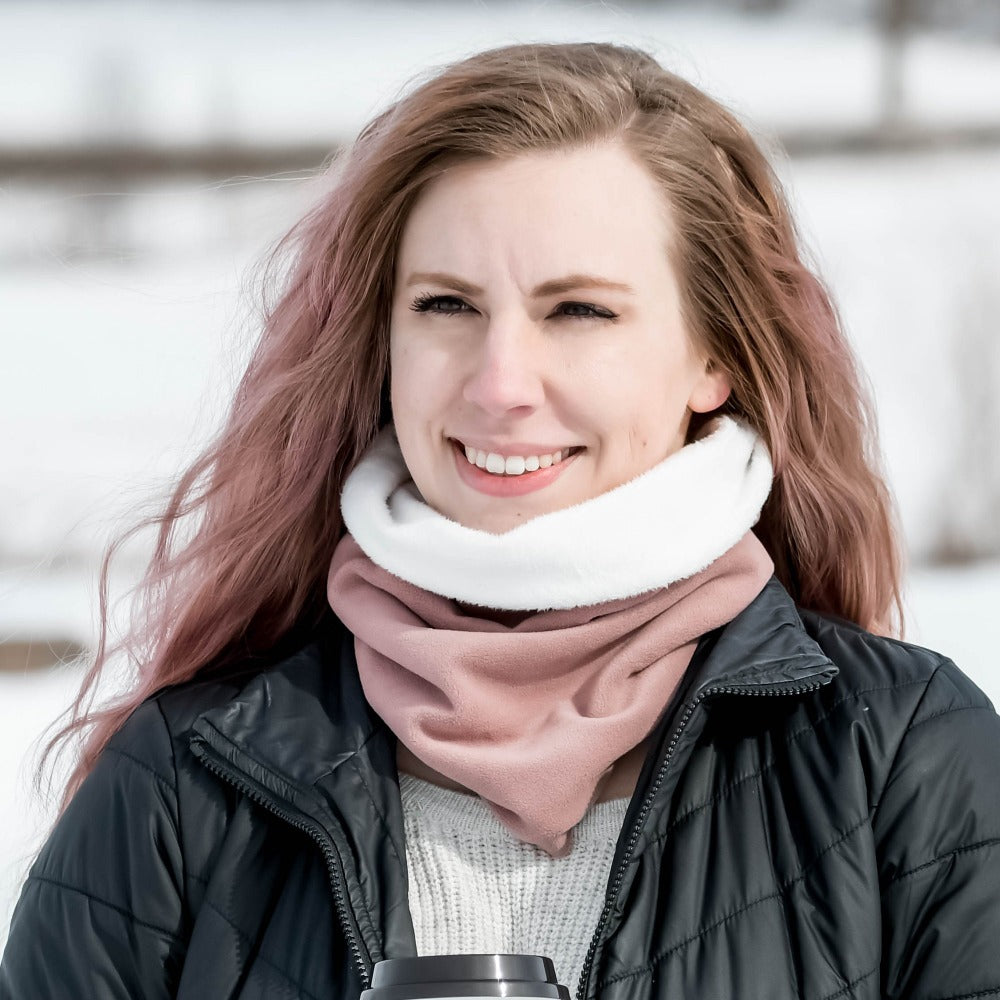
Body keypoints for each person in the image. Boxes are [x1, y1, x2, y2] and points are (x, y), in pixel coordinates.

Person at [2, 40, 998, 1000]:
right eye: (444, 305)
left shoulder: (904, 760)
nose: (499, 384)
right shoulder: (187, 779)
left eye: (578, 312)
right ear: (378, 341)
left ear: (714, 358)